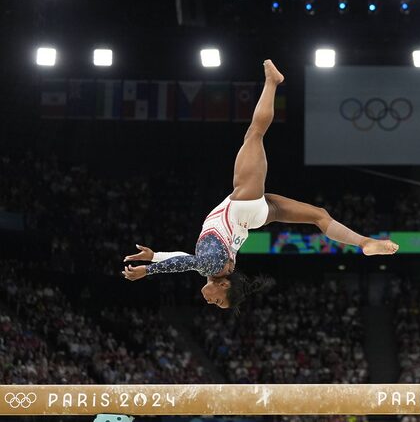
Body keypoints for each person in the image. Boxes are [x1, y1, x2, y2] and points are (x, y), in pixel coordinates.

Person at [122, 60, 399, 310]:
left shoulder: (214, 267)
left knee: (318, 216)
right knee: (254, 134)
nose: (211, 301)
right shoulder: (212, 265)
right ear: (224, 285)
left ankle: (364, 242)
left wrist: (155, 256)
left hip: (255, 216)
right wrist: (149, 271)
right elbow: (188, 263)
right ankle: (272, 82)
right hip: (244, 205)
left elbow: (188, 260)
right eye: (218, 301)